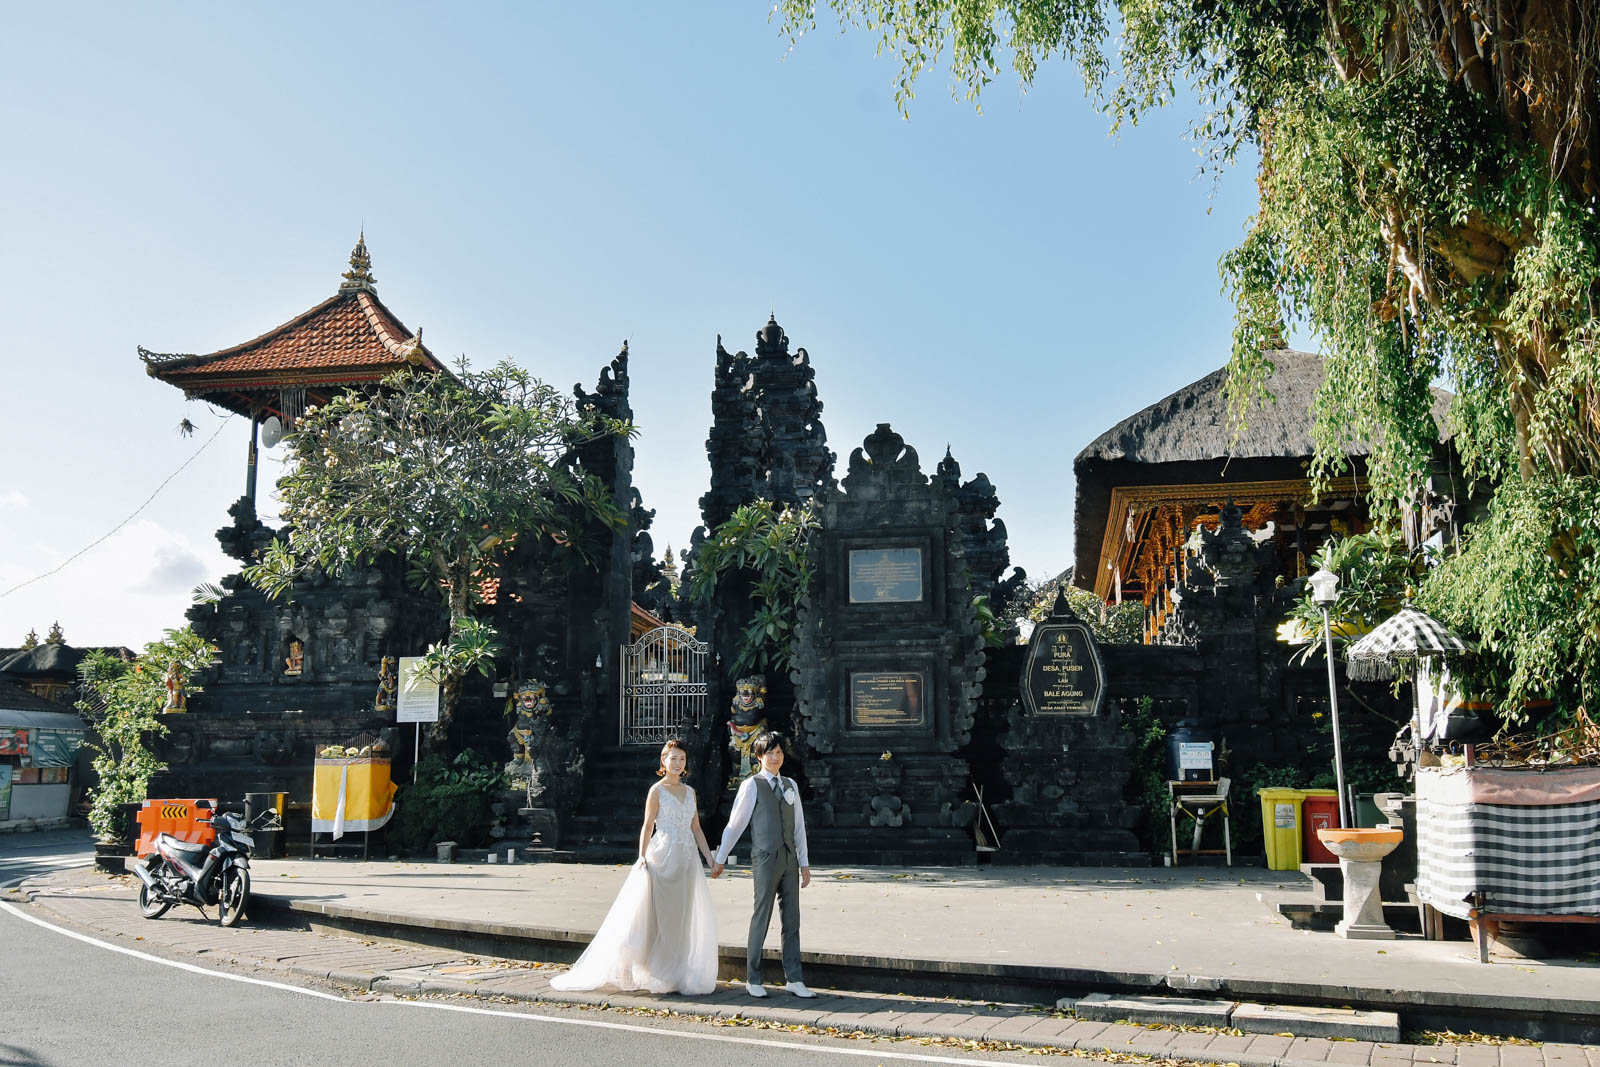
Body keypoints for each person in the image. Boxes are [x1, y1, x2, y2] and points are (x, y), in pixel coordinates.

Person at [550, 739, 719, 995]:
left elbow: (695, 827)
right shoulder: (657, 790)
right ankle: (627, 964)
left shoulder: (691, 792)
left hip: (687, 860)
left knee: (680, 916)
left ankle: (672, 970)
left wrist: (708, 857)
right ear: (664, 760)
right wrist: (641, 856)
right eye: (672, 758)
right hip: (662, 855)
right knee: (650, 914)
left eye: (681, 759)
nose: (677, 763)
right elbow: (648, 825)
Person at [710, 730, 814, 998]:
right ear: (759, 756)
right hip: (766, 857)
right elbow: (735, 824)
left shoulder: (790, 784)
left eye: (779, 753)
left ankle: (794, 977)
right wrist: (720, 859)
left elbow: (799, 827)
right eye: (770, 753)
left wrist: (804, 863)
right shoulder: (752, 785)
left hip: (790, 857)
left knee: (792, 918)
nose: (775, 757)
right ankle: (753, 977)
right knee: (762, 915)